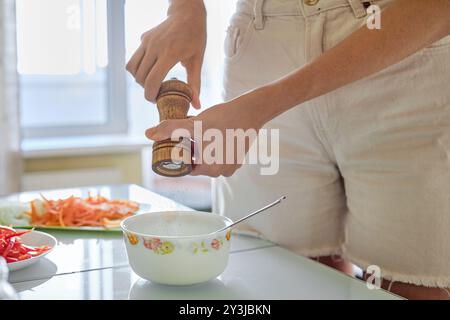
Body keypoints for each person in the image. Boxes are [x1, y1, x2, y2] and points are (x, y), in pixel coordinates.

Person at [126, 0, 450, 299]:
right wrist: (186, 10)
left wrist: (264, 105)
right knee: (275, 282)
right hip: (261, 45)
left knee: (412, 283)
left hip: (400, 42)